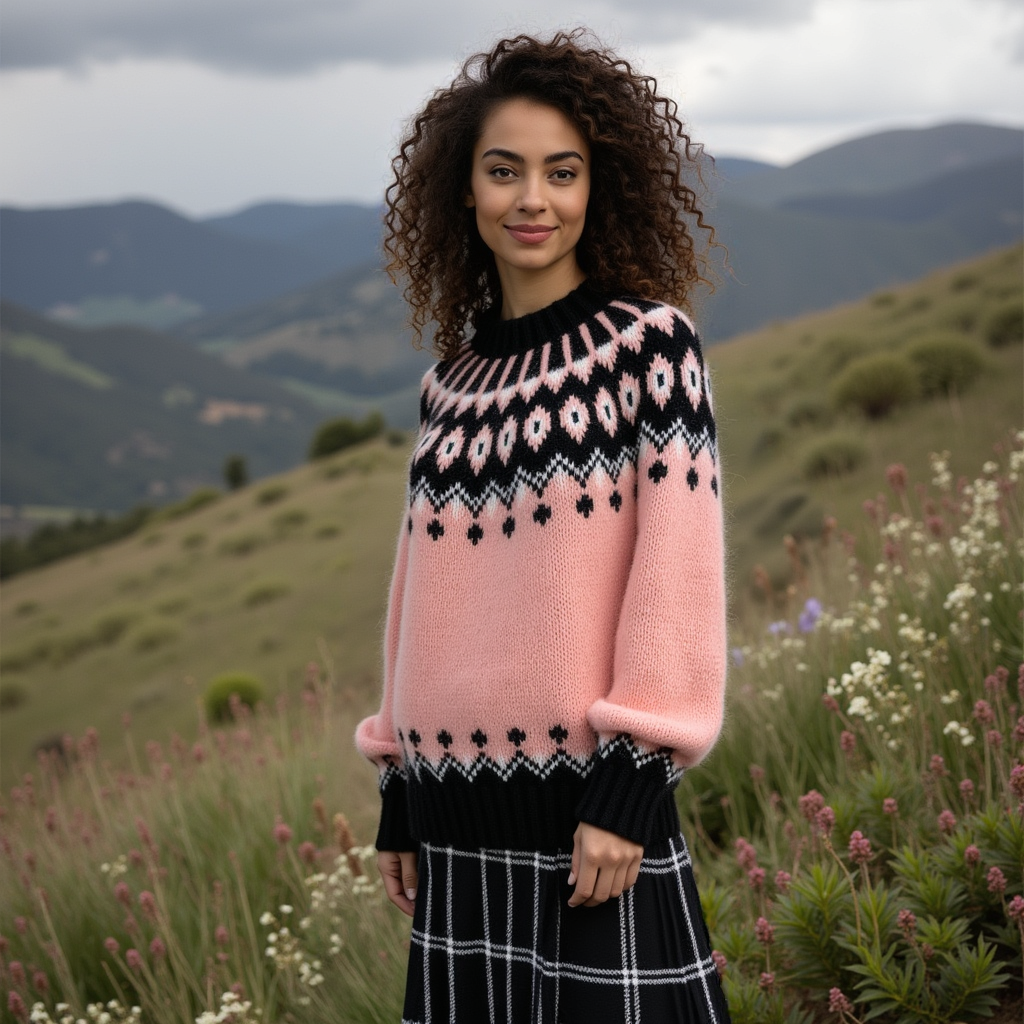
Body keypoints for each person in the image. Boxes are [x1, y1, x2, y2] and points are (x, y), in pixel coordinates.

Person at [355, 28, 730, 1024]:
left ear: (596, 187)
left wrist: (633, 780)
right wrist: (400, 785)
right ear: (463, 192)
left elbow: (677, 570)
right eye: (504, 171)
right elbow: (419, 595)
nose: (534, 200)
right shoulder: (451, 388)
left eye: (562, 173)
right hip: (451, 823)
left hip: (589, 819)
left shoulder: (650, 348)